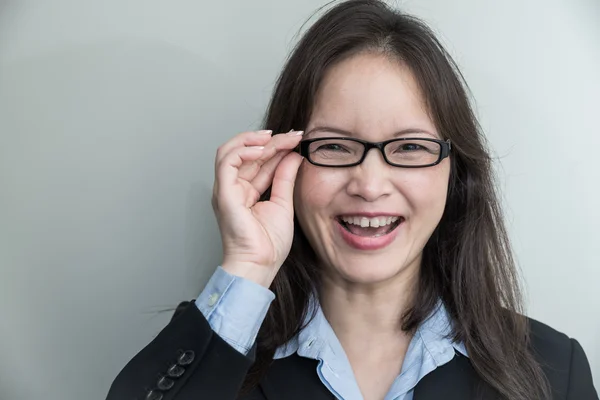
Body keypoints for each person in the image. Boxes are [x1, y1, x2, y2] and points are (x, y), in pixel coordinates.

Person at [106, 1, 598, 399]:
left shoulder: (556, 372)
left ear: (456, 173)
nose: (369, 183)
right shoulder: (215, 352)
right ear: (285, 163)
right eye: (335, 146)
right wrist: (247, 266)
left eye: (409, 147)